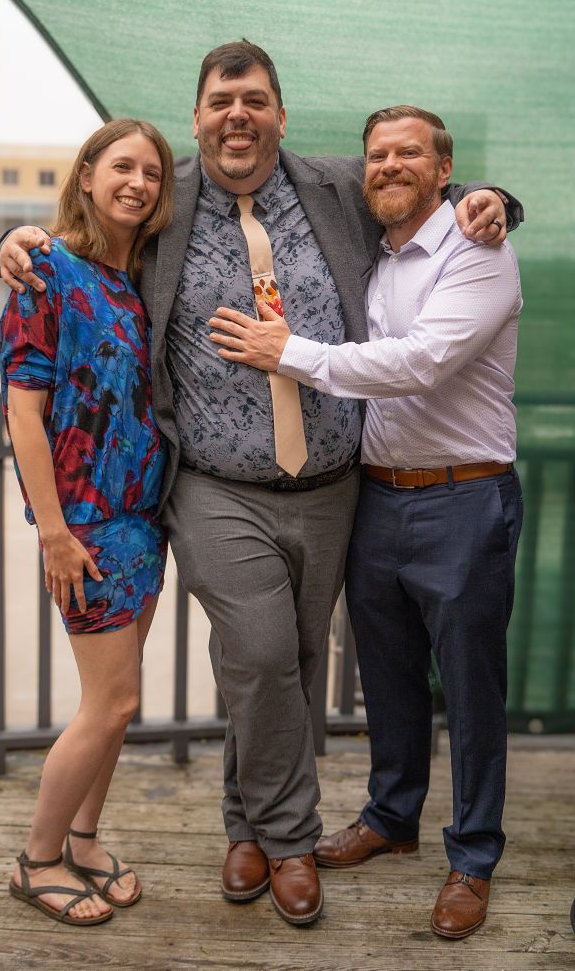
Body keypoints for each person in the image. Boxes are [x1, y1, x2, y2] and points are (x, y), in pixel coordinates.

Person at [0, 44, 521, 927]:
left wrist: (494, 200)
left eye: (252, 100)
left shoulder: (336, 185)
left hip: (332, 486)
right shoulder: (164, 197)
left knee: (291, 662)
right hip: (213, 486)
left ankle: (243, 820)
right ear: (197, 117)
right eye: (219, 102)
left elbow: (419, 186)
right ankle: (286, 838)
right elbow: (85, 249)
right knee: (265, 652)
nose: (235, 115)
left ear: (280, 113)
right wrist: (12, 244)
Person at [207, 104, 523, 939]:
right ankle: (391, 816)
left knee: (470, 687)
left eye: (408, 153)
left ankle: (472, 855)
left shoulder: (478, 251)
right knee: (385, 676)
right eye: (376, 154)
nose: (387, 165)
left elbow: (420, 363)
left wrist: (288, 353)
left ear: (445, 171)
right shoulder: (371, 256)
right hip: (375, 496)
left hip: (463, 498)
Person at [0, 118, 173, 925]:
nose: (137, 183)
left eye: (152, 173)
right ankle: (37, 863)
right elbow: (23, 414)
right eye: (122, 167)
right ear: (88, 175)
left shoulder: (136, 281)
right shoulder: (45, 272)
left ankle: (84, 837)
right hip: (87, 529)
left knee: (119, 704)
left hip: (143, 519)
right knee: (110, 703)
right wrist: (55, 533)